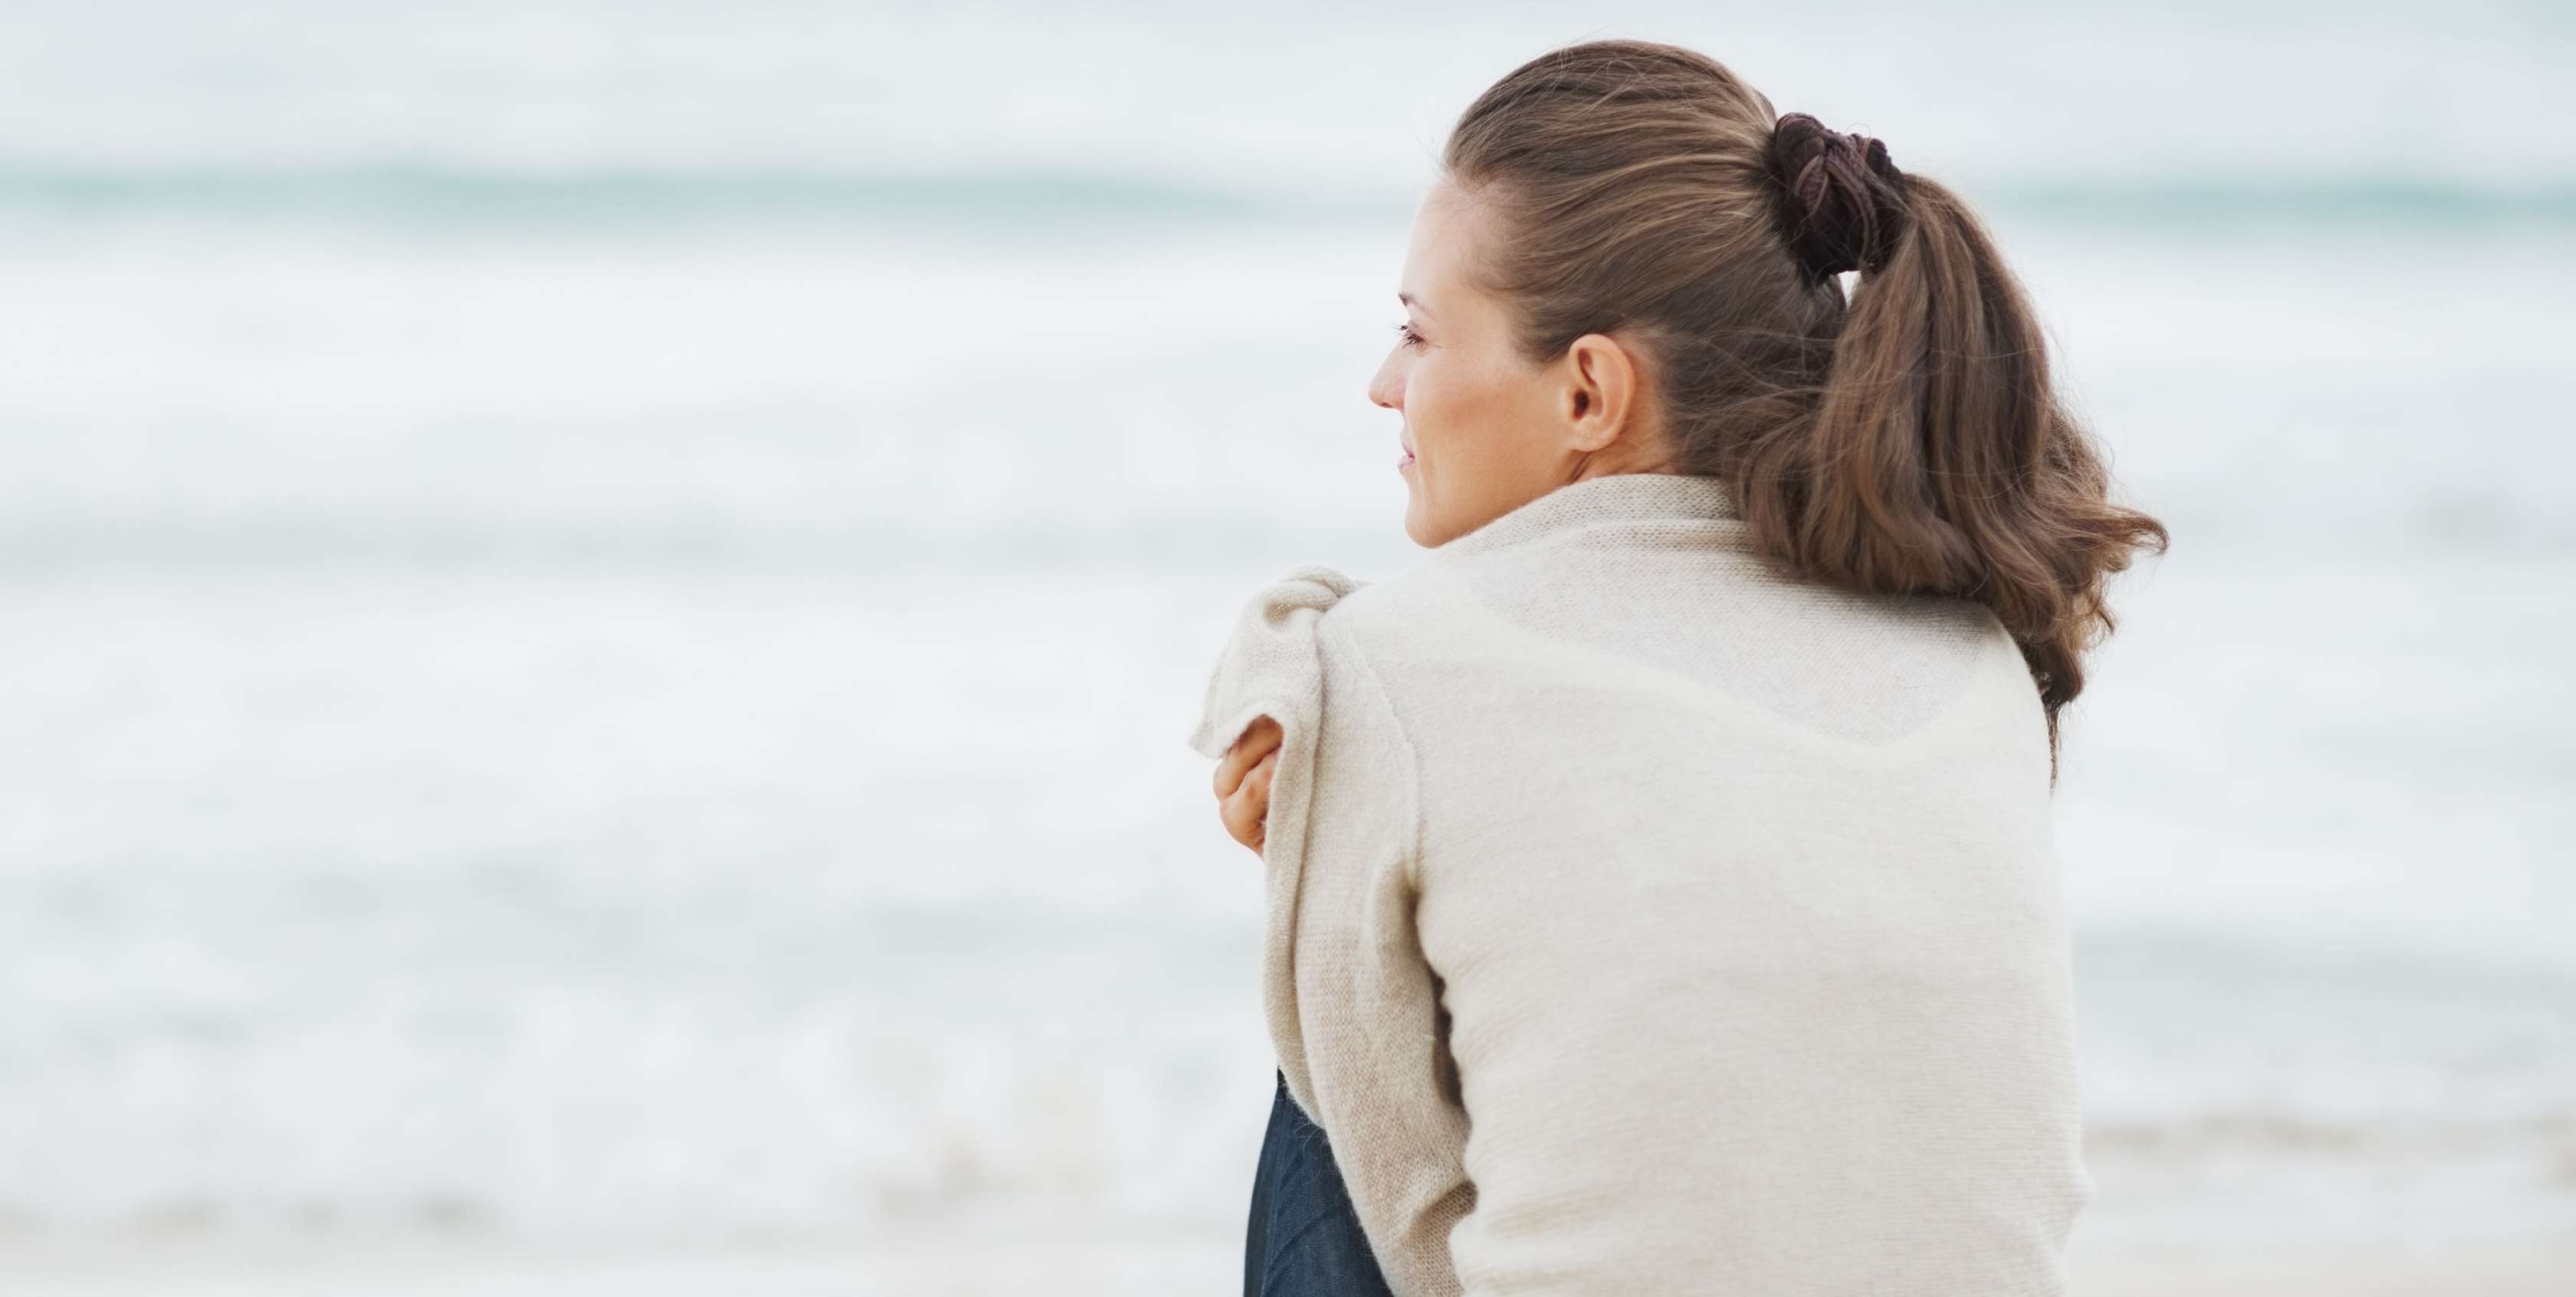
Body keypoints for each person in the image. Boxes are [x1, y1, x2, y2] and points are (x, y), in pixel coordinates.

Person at [1189, 38, 2168, 1297]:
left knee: (1320, 1058)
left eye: (1419, 334)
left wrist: (1314, 752)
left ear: (1590, 391)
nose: (1387, 386)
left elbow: (1408, 1208)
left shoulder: (1393, 664)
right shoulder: (1972, 652)